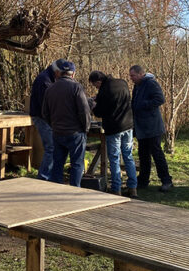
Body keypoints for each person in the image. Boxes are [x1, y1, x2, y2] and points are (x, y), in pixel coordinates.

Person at [88, 70, 137, 198]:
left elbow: (100, 112)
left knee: (114, 158)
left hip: (114, 128)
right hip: (128, 125)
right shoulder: (122, 83)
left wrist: (93, 105)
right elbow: (116, 98)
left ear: (98, 81)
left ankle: (116, 188)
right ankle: (133, 188)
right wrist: (97, 97)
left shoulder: (104, 90)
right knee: (128, 156)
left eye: (95, 85)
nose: (96, 88)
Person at [42, 60, 91, 187]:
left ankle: (56, 190)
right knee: (77, 164)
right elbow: (84, 110)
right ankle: (74, 191)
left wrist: (53, 125)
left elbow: (45, 113)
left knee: (58, 164)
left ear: (58, 73)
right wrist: (86, 127)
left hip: (58, 132)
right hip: (75, 132)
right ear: (73, 74)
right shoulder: (76, 87)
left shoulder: (50, 89)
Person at [129, 64, 173, 192]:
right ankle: (143, 180)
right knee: (143, 155)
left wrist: (142, 105)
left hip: (152, 126)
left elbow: (160, 99)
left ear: (141, 74)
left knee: (157, 154)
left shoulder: (151, 84)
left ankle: (166, 180)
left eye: (133, 76)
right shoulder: (137, 86)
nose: (131, 78)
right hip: (141, 126)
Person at [29, 60, 64, 180]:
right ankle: (44, 177)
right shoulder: (44, 81)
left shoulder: (51, 78)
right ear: (57, 71)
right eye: (62, 73)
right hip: (41, 117)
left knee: (53, 146)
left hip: (46, 116)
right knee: (51, 147)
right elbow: (47, 105)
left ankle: (50, 175)